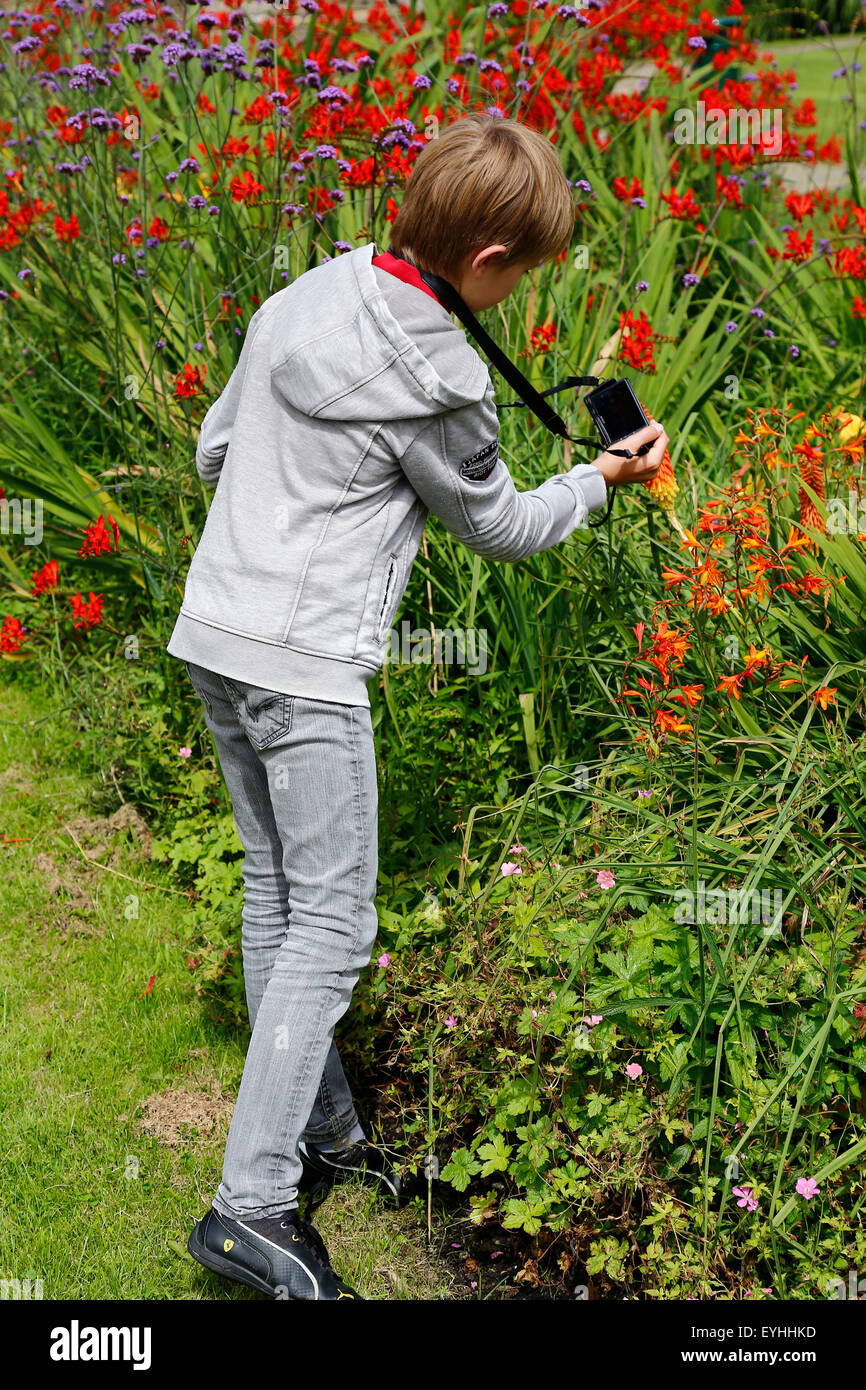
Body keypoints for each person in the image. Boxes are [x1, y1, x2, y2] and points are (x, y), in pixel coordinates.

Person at [168, 112, 668, 1301]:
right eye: (526, 271)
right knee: (332, 926)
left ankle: (321, 1137)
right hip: (304, 663)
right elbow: (495, 527)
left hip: (214, 631)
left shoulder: (303, 295)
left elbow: (210, 450)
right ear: (491, 262)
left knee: (276, 890)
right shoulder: (445, 376)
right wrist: (599, 481)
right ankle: (247, 1207)